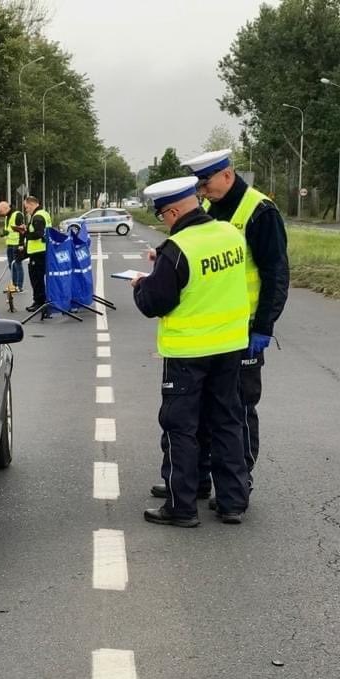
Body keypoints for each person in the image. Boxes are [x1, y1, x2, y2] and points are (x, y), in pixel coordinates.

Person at [149, 149, 289, 505]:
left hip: (244, 329)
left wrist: (264, 327)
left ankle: (239, 483)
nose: (202, 190)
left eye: (206, 182)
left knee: (237, 411)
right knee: (202, 412)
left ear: (227, 175)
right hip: (214, 333)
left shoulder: (260, 211)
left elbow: (276, 272)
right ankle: (194, 482)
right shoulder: (212, 209)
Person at [132, 176, 251, 526]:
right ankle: (232, 502)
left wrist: (142, 284)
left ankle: (180, 505)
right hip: (230, 346)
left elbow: (156, 302)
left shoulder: (177, 249)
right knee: (228, 422)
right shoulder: (230, 234)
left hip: (188, 353)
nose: (165, 224)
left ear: (173, 211)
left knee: (180, 427)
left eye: (163, 216)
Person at [22, 195, 51, 312]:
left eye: (27, 207)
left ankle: (39, 302)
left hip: (38, 252)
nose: (26, 209)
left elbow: (39, 233)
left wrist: (26, 233)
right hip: (43, 250)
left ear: (32, 204)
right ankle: (41, 301)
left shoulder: (37, 217)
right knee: (39, 278)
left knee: (36, 279)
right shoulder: (44, 213)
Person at [0, 201, 25, 292]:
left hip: (17, 243)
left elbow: (22, 230)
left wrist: (21, 244)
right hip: (9, 243)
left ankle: (19, 286)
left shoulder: (18, 215)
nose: (0, 214)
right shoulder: (7, 217)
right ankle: (13, 284)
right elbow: (9, 229)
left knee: (17, 264)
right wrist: (4, 233)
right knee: (11, 265)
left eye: (1, 211)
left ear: (5, 208)